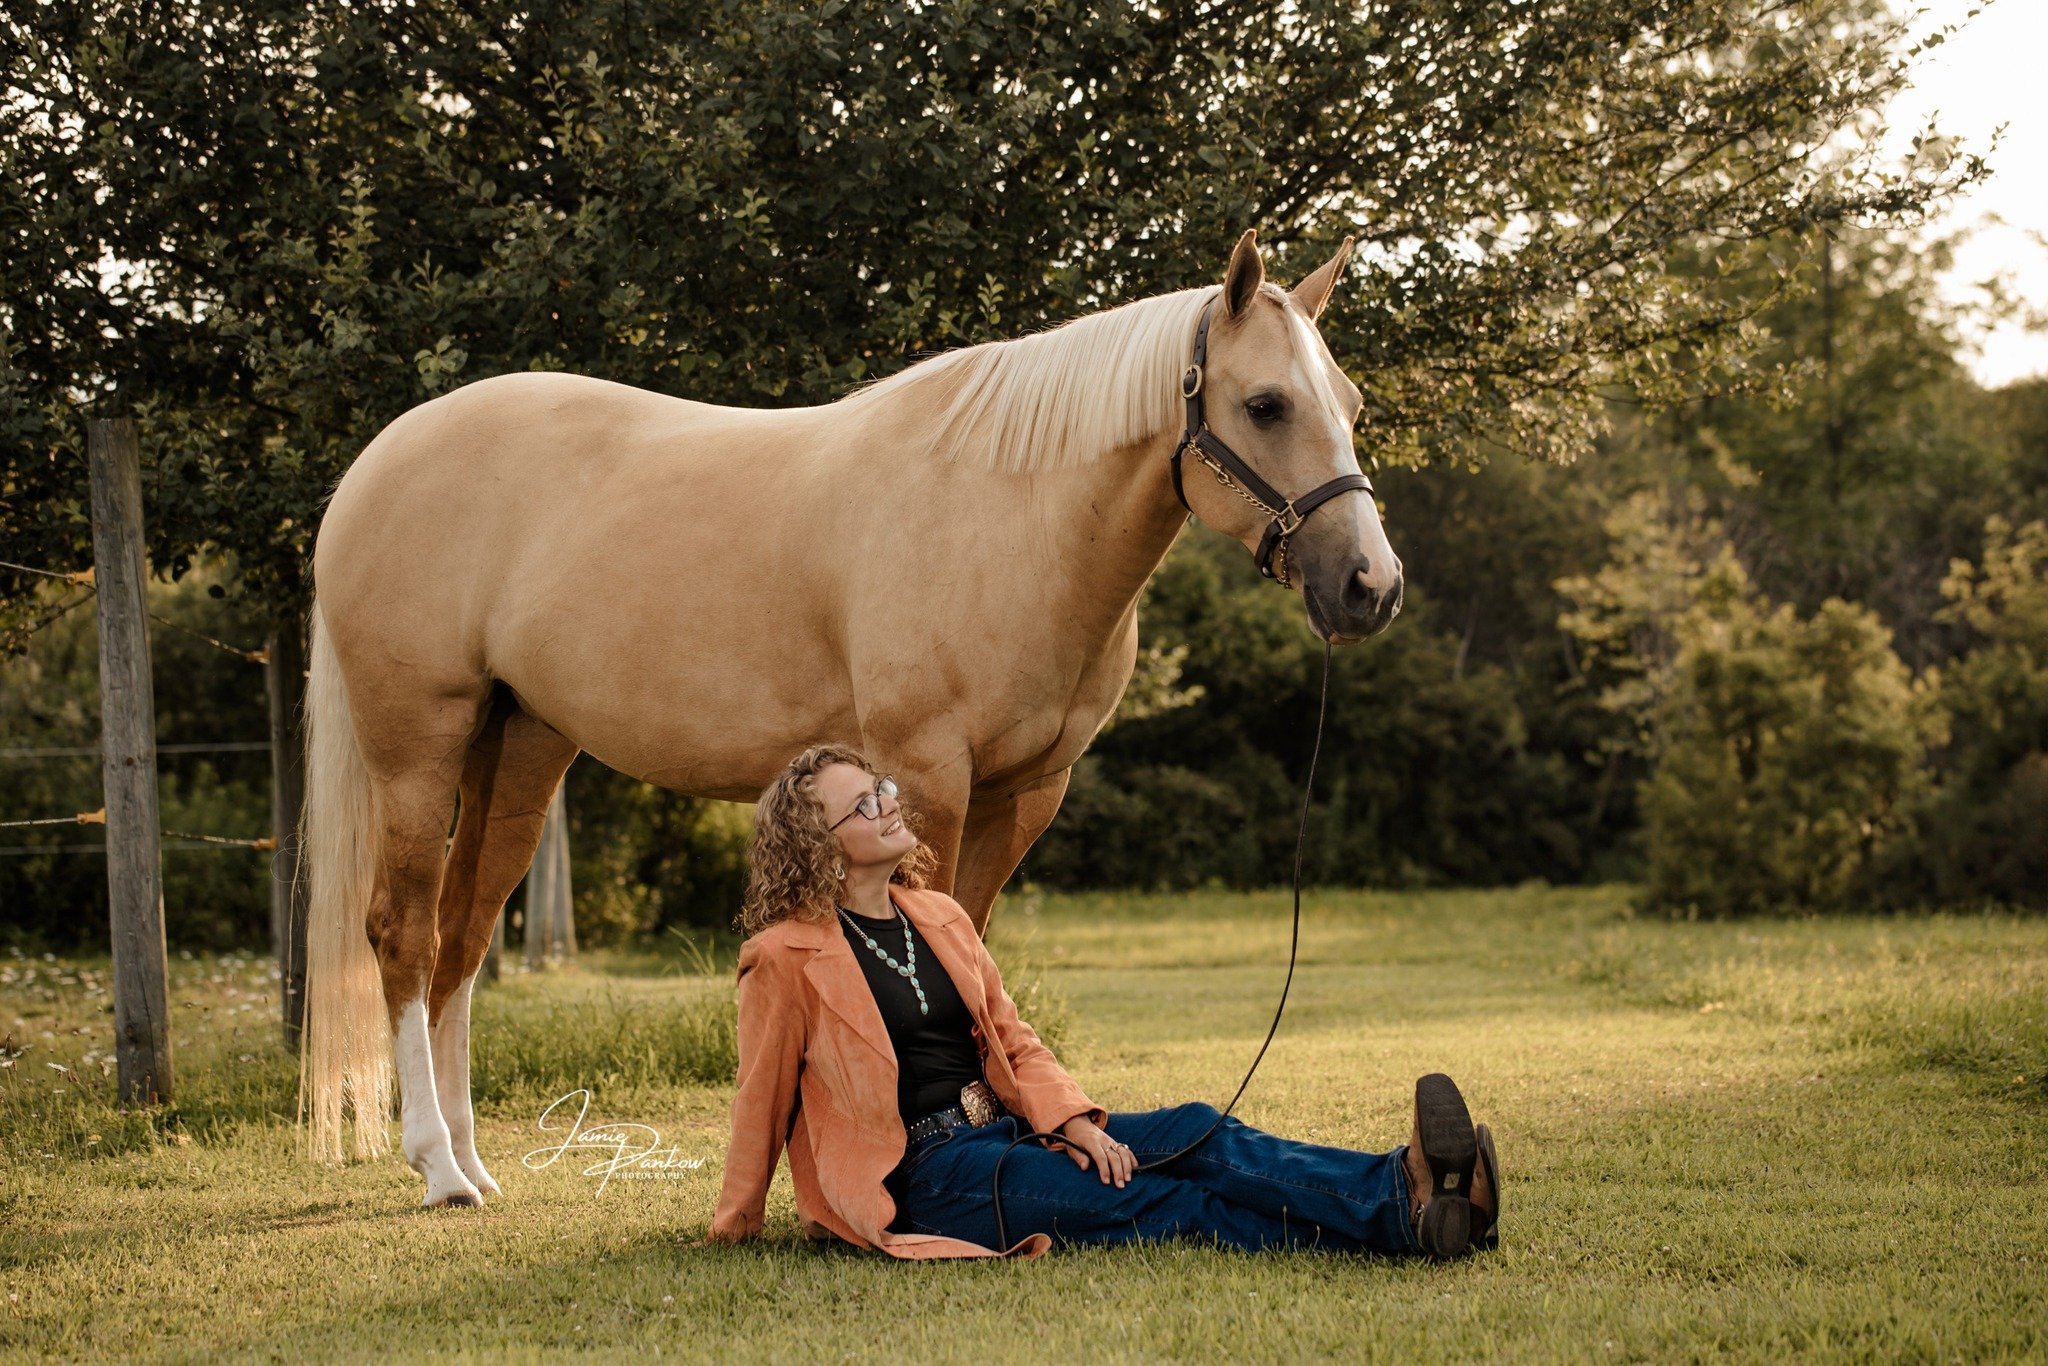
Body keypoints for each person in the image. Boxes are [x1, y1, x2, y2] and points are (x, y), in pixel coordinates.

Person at [702, 742, 1499, 1261]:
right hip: (928, 1178)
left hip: (1010, 1130)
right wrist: (737, 1224)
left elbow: (1015, 1041)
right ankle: (1414, 1217)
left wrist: (1075, 1123)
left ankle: (1408, 1189)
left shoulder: (938, 917)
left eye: (879, 789)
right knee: (1168, 1200)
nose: (887, 803)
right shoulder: (784, 956)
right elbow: (759, 1098)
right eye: (863, 804)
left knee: (1196, 1130)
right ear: (822, 844)